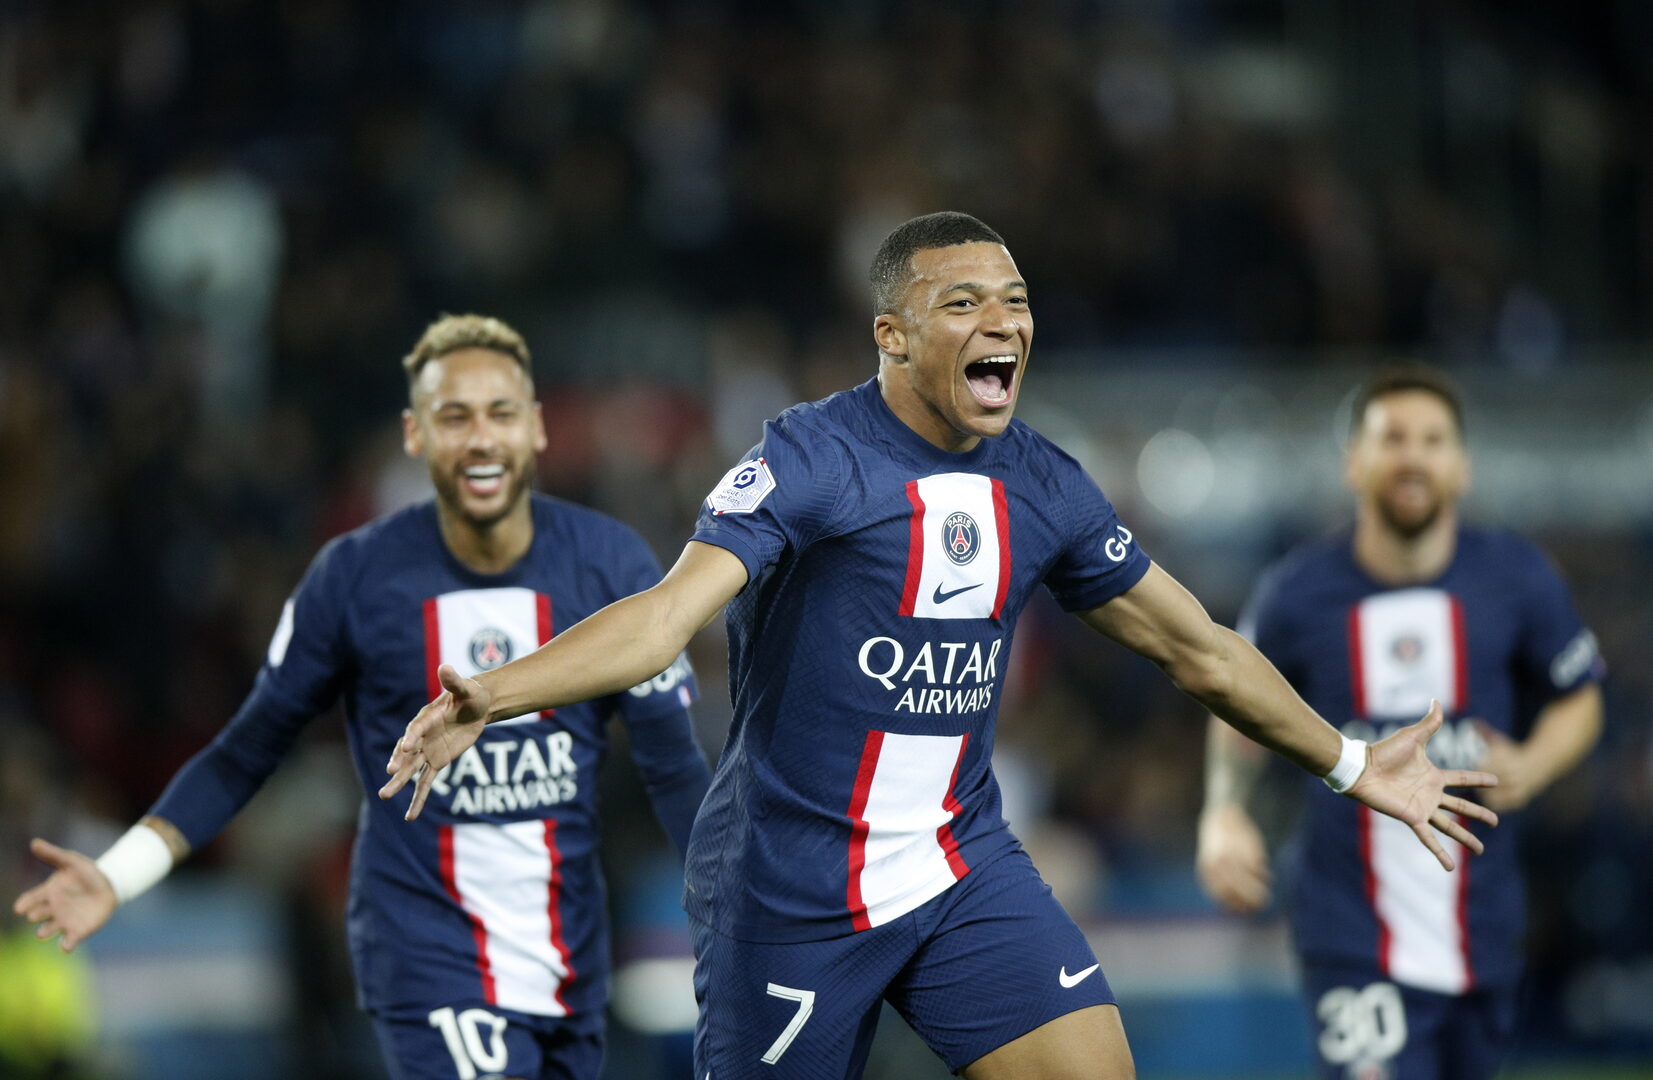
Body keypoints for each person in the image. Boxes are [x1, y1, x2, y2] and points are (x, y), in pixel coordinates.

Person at [380, 214, 1498, 1080]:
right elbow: (665, 617)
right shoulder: (811, 459)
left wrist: (1350, 764)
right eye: (961, 302)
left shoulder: (1043, 486)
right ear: (893, 336)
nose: (1001, 323)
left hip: (960, 868)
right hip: (789, 891)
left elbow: (1197, 647)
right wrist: (494, 695)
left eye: (1015, 301)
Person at [13, 314, 711, 1080]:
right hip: (427, 953)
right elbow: (245, 751)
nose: (481, 439)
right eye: (454, 417)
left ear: (537, 427)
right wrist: (119, 872)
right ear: (415, 435)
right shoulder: (353, 578)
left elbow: (672, 763)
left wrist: (728, 915)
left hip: (568, 958)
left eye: (501, 413)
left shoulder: (609, 563)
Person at [1195, 365, 1605, 1080]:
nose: (1412, 456)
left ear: (1462, 466)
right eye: (1392, 439)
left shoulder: (1517, 576)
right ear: (1353, 463)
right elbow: (1237, 704)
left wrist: (1534, 764)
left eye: (1432, 440)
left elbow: (1580, 695)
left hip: (1483, 932)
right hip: (1350, 933)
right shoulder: (1296, 592)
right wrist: (1224, 813)